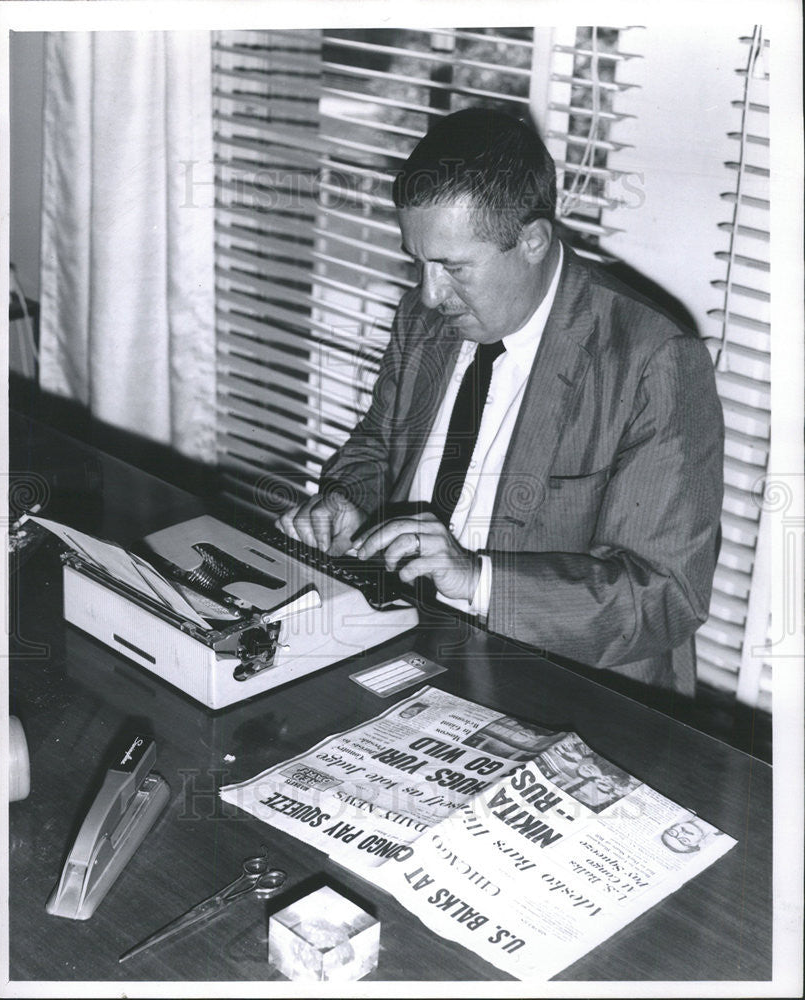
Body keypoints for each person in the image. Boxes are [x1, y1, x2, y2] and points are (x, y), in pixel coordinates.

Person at [277, 107, 724, 697]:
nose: (429, 294)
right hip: (412, 637)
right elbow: (380, 443)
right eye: (419, 261)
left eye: (452, 267)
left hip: (567, 683)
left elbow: (667, 594)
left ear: (533, 241)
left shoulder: (652, 360)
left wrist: (478, 581)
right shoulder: (425, 317)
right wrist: (344, 498)